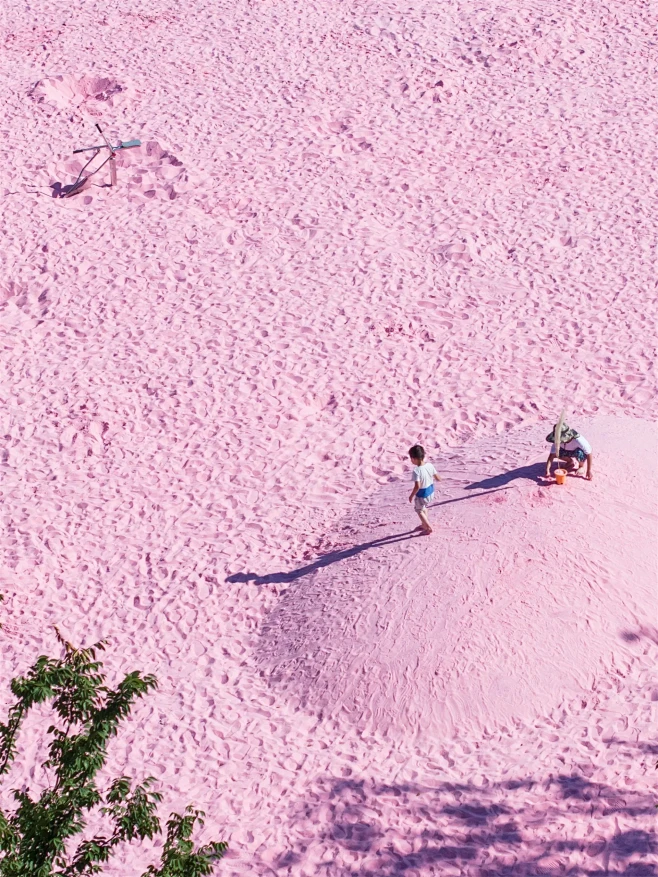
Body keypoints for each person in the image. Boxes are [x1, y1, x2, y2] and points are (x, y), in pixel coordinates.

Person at [408, 444, 441, 534]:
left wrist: (411, 496)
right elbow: (438, 477)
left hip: (422, 495)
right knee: (424, 508)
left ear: (414, 458)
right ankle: (423, 524)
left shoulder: (416, 471)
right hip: (431, 492)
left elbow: (417, 486)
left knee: (419, 510)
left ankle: (428, 527)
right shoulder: (430, 465)